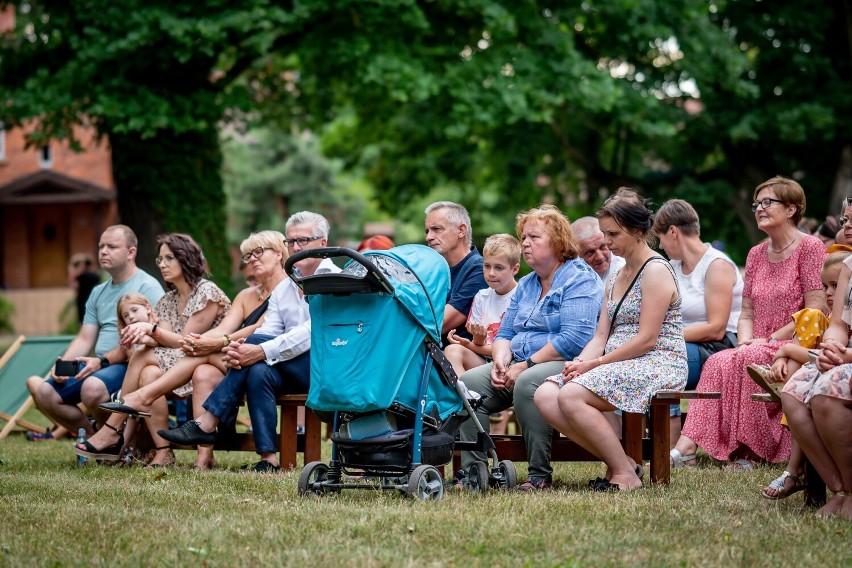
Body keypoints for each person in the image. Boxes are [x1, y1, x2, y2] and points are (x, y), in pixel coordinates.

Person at [90, 232, 287, 470]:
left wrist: (206, 343)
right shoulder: (246, 295)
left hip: (263, 363)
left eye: (259, 252)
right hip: (228, 359)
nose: (252, 259)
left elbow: (257, 331)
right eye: (248, 255)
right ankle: (196, 457)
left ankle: (126, 414)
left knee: (158, 356)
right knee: (199, 371)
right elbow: (224, 329)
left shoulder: (287, 292)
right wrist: (199, 341)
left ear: (279, 254)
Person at [535, 189, 687, 491]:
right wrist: (579, 363)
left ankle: (624, 474)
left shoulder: (655, 270)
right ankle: (623, 462)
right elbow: (601, 335)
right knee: (546, 395)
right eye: (604, 232)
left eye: (613, 233)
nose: (606, 241)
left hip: (658, 361)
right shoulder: (618, 274)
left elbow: (646, 340)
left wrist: (596, 362)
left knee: (571, 395)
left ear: (638, 231)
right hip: (617, 359)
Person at [157, 212, 332, 472]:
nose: (296, 247)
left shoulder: (334, 280)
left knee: (258, 349)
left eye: (303, 241)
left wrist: (259, 349)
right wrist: (243, 350)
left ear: (323, 244)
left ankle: (207, 423)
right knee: (257, 371)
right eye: (291, 242)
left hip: (322, 367)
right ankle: (268, 459)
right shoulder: (285, 287)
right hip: (287, 365)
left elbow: (311, 332)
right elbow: (272, 328)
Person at [670, 176, 826, 470]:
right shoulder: (756, 254)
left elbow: (815, 307)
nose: (759, 209)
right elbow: (747, 313)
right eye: (757, 204)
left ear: (791, 209)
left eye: (768, 202)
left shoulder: (811, 248)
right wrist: (744, 341)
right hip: (756, 341)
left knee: (749, 357)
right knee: (720, 360)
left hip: (794, 341)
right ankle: (685, 448)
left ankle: (752, 451)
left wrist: (765, 341)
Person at [454, 205, 603, 491]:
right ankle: (474, 473)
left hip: (568, 364)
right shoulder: (527, 284)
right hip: (520, 363)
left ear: (558, 242)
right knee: (467, 384)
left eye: (533, 237)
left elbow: (574, 338)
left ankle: (539, 474)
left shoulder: (579, 278)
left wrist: (525, 365)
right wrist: (500, 361)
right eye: (523, 237)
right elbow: (506, 331)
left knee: (527, 383)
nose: (524, 243)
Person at [74, 233, 230, 467]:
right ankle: (163, 451)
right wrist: (144, 334)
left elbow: (187, 342)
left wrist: (151, 330)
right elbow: (165, 340)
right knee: (147, 370)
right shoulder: (168, 300)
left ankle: (112, 428)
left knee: (143, 356)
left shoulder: (207, 292)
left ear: (185, 258)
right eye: (160, 259)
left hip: (214, 362)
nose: (162, 264)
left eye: (169, 258)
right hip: (184, 362)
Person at [31, 226, 164, 438]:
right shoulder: (98, 292)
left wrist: (101, 362)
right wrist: (62, 365)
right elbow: (85, 338)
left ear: (131, 252)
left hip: (131, 364)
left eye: (112, 247)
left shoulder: (148, 286)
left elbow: (159, 336)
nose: (103, 251)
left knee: (92, 389)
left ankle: (110, 439)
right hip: (99, 364)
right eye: (101, 246)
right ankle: (97, 437)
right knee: (45, 393)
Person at [748, 250, 847, 500]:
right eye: (825, 286)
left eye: (835, 285)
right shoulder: (831, 320)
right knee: (796, 387)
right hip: (822, 362)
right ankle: (785, 379)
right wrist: (782, 354)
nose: (828, 292)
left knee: (811, 383)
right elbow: (826, 348)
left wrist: (786, 349)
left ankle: (796, 470)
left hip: (830, 365)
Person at [653, 199, 743, 443]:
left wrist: (661, 338)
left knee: (662, 360)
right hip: (680, 347)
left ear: (673, 232)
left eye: (660, 238)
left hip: (718, 348)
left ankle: (669, 444)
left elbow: (716, 328)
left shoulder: (716, 265)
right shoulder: (670, 268)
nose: (660, 246)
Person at [780, 249, 852, 517]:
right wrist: (831, 348)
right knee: (794, 391)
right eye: (845, 218)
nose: (847, 224)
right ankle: (840, 490)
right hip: (846, 354)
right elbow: (838, 325)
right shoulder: (849, 266)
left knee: (826, 392)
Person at [444, 234, 520, 378]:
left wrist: (468, 345)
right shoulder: (482, 296)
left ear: (515, 269)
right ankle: (468, 398)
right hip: (485, 360)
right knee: (452, 351)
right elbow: (478, 343)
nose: (491, 273)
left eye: (498, 268)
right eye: (487, 266)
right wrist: (477, 339)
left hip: (511, 362)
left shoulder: (522, 295)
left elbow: (513, 350)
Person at [424, 201, 487, 343]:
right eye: (427, 231)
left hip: (461, 361)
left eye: (437, 229)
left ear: (461, 230)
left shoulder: (480, 269)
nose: (429, 237)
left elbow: (439, 324)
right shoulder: (433, 272)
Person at [572, 216, 626, 283]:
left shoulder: (625, 268)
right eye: (590, 252)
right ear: (577, 255)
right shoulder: (573, 278)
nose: (600, 257)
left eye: (602, 247)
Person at [68, 253, 101, 324]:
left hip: (84, 300)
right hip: (89, 300)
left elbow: (73, 284)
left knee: (83, 321)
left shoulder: (81, 276)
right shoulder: (91, 276)